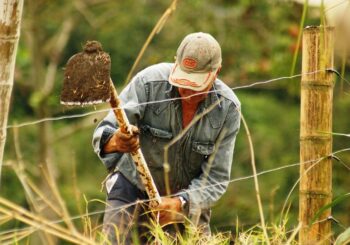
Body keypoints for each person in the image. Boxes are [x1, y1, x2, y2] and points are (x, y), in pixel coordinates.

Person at [92, 32, 241, 244]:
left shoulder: (228, 109)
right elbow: (103, 133)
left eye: (195, 85)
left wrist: (181, 204)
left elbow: (216, 178)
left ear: (216, 72)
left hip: (187, 203)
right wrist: (116, 141)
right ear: (175, 64)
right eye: (183, 81)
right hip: (132, 190)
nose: (187, 91)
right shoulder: (148, 83)